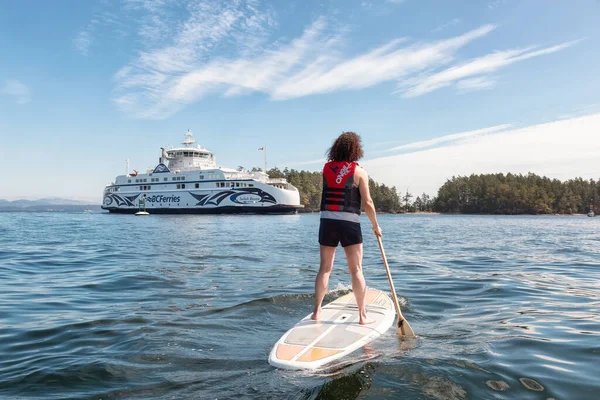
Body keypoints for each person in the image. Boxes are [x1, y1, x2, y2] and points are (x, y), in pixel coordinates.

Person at [311, 132, 382, 325]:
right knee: (356, 270)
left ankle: (317, 312)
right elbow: (367, 202)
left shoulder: (326, 169)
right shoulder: (359, 172)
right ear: (356, 150)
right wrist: (375, 225)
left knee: (324, 269)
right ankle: (362, 316)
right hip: (349, 223)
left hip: (327, 221)